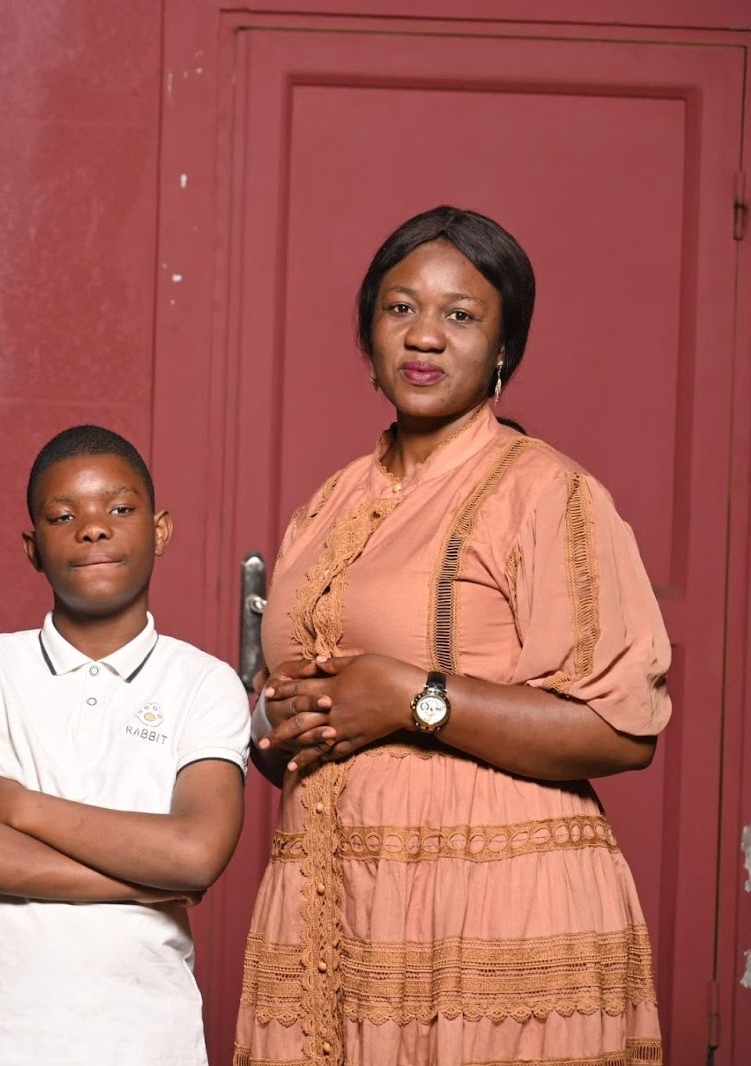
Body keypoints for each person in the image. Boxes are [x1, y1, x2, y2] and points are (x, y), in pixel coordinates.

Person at [236, 206, 668, 1065]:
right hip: (336, 904)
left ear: (504, 345)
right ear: (369, 332)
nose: (424, 336)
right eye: (400, 309)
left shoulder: (548, 494)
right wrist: (280, 729)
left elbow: (621, 730)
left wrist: (410, 697)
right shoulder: (328, 504)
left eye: (460, 315)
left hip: (494, 908)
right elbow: (304, 707)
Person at [0, 425, 251, 1066]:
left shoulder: (203, 682)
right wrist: (138, 881)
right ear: (32, 548)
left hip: (148, 1037)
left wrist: (18, 807)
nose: (93, 528)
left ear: (160, 531)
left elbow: (193, 854)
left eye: (120, 509)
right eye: (63, 515)